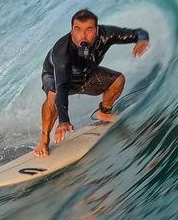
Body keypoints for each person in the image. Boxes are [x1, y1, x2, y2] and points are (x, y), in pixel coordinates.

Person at [34, 9, 150, 157]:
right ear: (72, 31)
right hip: (56, 77)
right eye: (78, 30)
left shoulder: (107, 34)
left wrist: (142, 39)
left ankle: (103, 112)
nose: (83, 35)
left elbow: (138, 32)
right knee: (53, 94)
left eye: (88, 30)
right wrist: (64, 121)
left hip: (85, 75)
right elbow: (61, 86)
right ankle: (44, 139)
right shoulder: (62, 52)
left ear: (97, 30)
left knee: (118, 80)